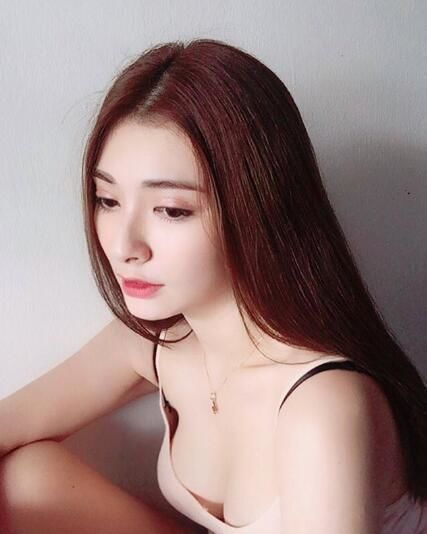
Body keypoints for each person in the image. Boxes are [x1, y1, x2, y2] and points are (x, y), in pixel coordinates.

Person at [1, 38, 426, 533]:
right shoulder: (155, 342)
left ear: (257, 209)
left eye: (171, 210)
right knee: (24, 480)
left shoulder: (324, 405)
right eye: (108, 200)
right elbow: (11, 424)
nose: (123, 246)